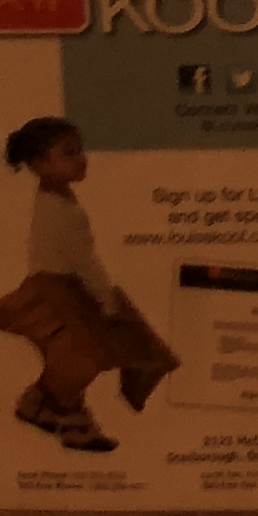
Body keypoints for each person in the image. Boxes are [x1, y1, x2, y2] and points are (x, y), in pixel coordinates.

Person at [5, 118, 175, 453]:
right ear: (39, 164)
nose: (82, 159)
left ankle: (38, 403)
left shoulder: (55, 197)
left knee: (80, 351)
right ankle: (69, 417)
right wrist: (107, 302)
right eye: (69, 153)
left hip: (58, 286)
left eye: (80, 150)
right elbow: (85, 261)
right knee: (88, 352)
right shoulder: (61, 210)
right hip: (58, 291)